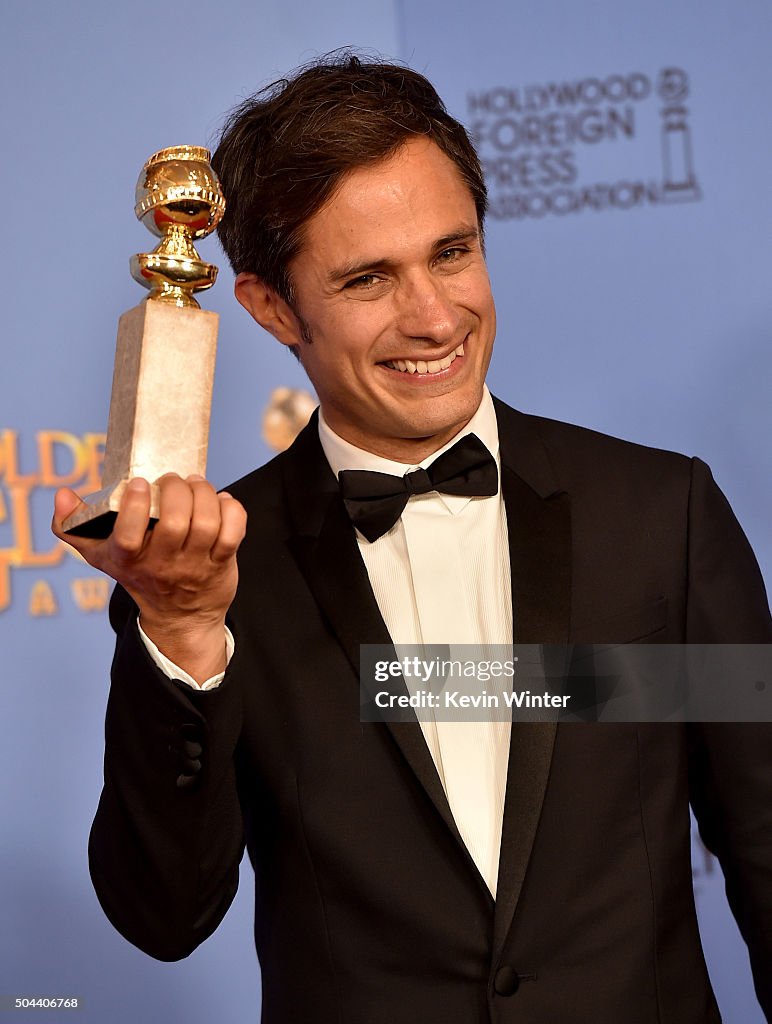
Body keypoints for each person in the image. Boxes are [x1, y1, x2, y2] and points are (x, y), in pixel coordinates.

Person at [52, 54, 771, 1023]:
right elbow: (164, 914)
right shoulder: (215, 570)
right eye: (367, 278)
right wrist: (181, 631)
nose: (434, 316)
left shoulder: (659, 517)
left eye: (451, 252)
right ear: (270, 306)